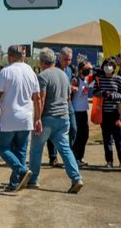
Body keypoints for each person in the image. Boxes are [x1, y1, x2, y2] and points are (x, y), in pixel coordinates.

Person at [0, 45, 40, 192]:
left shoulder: (6, 72)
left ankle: (21, 171)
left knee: (1, 147)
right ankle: (15, 183)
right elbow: (37, 97)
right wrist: (37, 118)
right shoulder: (31, 72)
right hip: (26, 118)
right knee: (20, 151)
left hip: (9, 118)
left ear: (10, 56)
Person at [28, 48, 83, 193]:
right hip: (64, 117)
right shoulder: (64, 75)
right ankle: (76, 178)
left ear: (41, 61)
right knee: (65, 149)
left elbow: (41, 98)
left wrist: (37, 118)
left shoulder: (43, 76)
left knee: (36, 149)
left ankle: (33, 180)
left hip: (48, 118)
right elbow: (67, 98)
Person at [47, 47, 77, 166]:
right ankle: (53, 157)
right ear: (59, 57)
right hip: (55, 103)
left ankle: (68, 155)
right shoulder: (53, 69)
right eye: (65, 59)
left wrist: (71, 88)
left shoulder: (69, 70)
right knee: (52, 131)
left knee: (73, 129)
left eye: (69, 59)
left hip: (68, 104)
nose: (67, 61)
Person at [93, 58, 121, 168]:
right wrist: (103, 93)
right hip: (104, 113)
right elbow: (95, 92)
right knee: (107, 138)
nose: (108, 67)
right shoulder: (99, 79)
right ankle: (109, 161)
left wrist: (113, 95)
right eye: (106, 65)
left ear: (114, 67)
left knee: (118, 138)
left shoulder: (118, 79)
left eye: (110, 65)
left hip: (116, 113)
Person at [71, 61, 93, 166]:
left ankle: (80, 157)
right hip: (76, 112)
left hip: (84, 111)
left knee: (85, 135)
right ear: (80, 69)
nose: (88, 71)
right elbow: (70, 91)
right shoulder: (75, 80)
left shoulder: (87, 79)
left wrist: (91, 67)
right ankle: (75, 158)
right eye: (86, 69)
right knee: (77, 136)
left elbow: (98, 73)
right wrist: (72, 88)